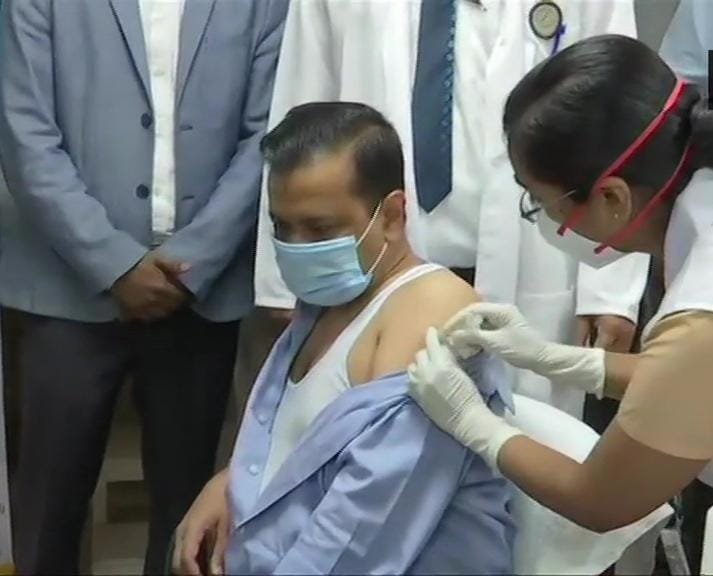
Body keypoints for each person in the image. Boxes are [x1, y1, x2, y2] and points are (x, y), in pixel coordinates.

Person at [251, 0, 652, 419]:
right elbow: (303, 95)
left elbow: (616, 107)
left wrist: (610, 291)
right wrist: (284, 281)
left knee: (522, 431)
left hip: (530, 263)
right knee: (367, 427)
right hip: (374, 259)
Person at [0, 0, 287, 572]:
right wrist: (113, 264)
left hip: (198, 293)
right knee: (48, 512)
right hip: (62, 289)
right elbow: (23, 133)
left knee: (189, 515)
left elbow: (269, 135)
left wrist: (195, 259)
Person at [174, 102, 515, 576]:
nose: (296, 247)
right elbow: (299, 442)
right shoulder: (324, 305)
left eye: (319, 229)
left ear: (392, 215)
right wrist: (232, 482)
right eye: (282, 227)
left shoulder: (432, 308)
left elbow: (362, 527)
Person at [408, 33, 713, 535]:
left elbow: (600, 500)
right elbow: (683, 383)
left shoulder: (700, 309)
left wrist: (474, 422)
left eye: (540, 201)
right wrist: (554, 359)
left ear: (612, 198)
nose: (542, 218)